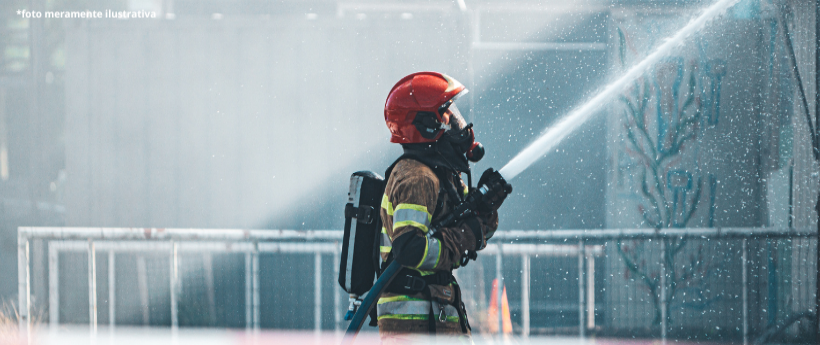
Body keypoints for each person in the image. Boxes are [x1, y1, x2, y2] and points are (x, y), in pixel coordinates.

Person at [378, 71, 511, 343]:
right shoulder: (416, 178)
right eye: (448, 116)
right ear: (427, 125)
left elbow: (475, 230)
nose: (459, 126)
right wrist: (464, 236)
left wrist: (486, 208)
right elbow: (410, 250)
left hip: (436, 309)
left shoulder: (441, 176)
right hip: (416, 320)